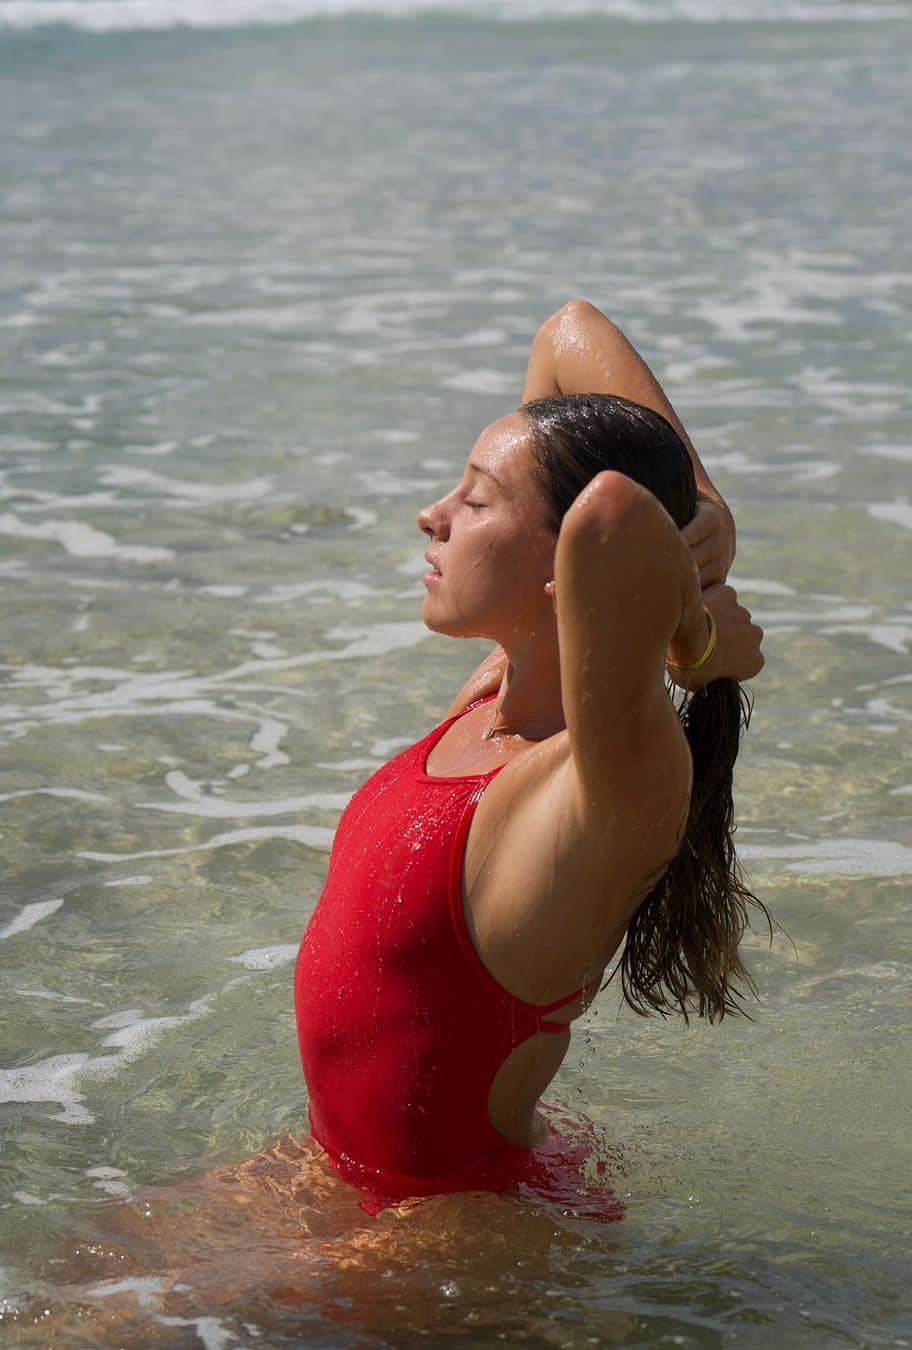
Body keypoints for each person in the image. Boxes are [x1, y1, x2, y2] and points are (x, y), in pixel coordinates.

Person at [293, 299, 766, 1218]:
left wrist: (698, 628)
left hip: (448, 1244)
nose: (430, 515)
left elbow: (618, 515)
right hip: (345, 1180)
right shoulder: (496, 690)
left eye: (474, 500)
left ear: (563, 570)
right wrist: (702, 519)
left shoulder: (606, 782)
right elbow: (567, 332)